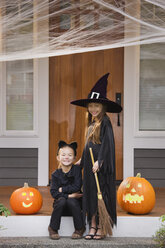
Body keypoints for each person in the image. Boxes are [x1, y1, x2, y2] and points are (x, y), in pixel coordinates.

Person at [70, 73, 122, 240]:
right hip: (90, 167)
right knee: (91, 196)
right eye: (91, 106)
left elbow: (107, 145)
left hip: (100, 168)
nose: (93, 109)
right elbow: (88, 146)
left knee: (102, 196)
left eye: (96, 106)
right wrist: (82, 161)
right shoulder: (92, 123)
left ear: (103, 107)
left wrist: (100, 162)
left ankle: (101, 226)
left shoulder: (105, 122)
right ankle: (92, 225)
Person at [48, 140, 85, 240]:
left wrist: (62, 189)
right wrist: (69, 195)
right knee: (62, 200)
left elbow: (77, 186)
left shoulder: (77, 170)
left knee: (72, 201)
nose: (66, 157)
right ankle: (53, 228)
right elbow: (54, 193)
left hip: (75, 206)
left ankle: (79, 228)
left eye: (70, 155)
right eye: (63, 155)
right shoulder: (55, 174)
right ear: (58, 158)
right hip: (61, 207)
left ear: (74, 158)